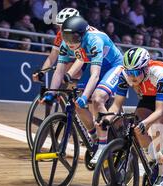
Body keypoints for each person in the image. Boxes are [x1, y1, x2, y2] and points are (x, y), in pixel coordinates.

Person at [41, 16, 124, 164]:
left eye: (73, 37)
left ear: (82, 34)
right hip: (94, 64)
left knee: (97, 98)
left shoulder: (94, 40)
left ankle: (102, 147)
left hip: (113, 66)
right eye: (66, 37)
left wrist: (86, 97)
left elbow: (95, 75)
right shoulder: (67, 44)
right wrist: (51, 94)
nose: (70, 42)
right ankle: (94, 137)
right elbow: (59, 72)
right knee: (75, 102)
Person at [112, 47, 163, 186]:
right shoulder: (124, 74)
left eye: (136, 72)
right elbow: (116, 105)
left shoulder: (159, 73)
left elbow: (159, 111)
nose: (132, 76)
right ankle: (152, 160)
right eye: (129, 72)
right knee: (137, 127)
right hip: (150, 95)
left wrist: (146, 123)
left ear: (146, 67)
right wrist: (106, 117)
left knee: (158, 124)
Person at [32, 8, 80, 82]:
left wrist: (68, 74)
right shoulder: (60, 35)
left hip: (91, 61)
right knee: (60, 73)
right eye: (60, 26)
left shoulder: (82, 34)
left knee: (67, 72)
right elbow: (52, 57)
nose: (61, 30)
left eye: (64, 26)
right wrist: (42, 73)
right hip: (79, 60)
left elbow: (81, 60)